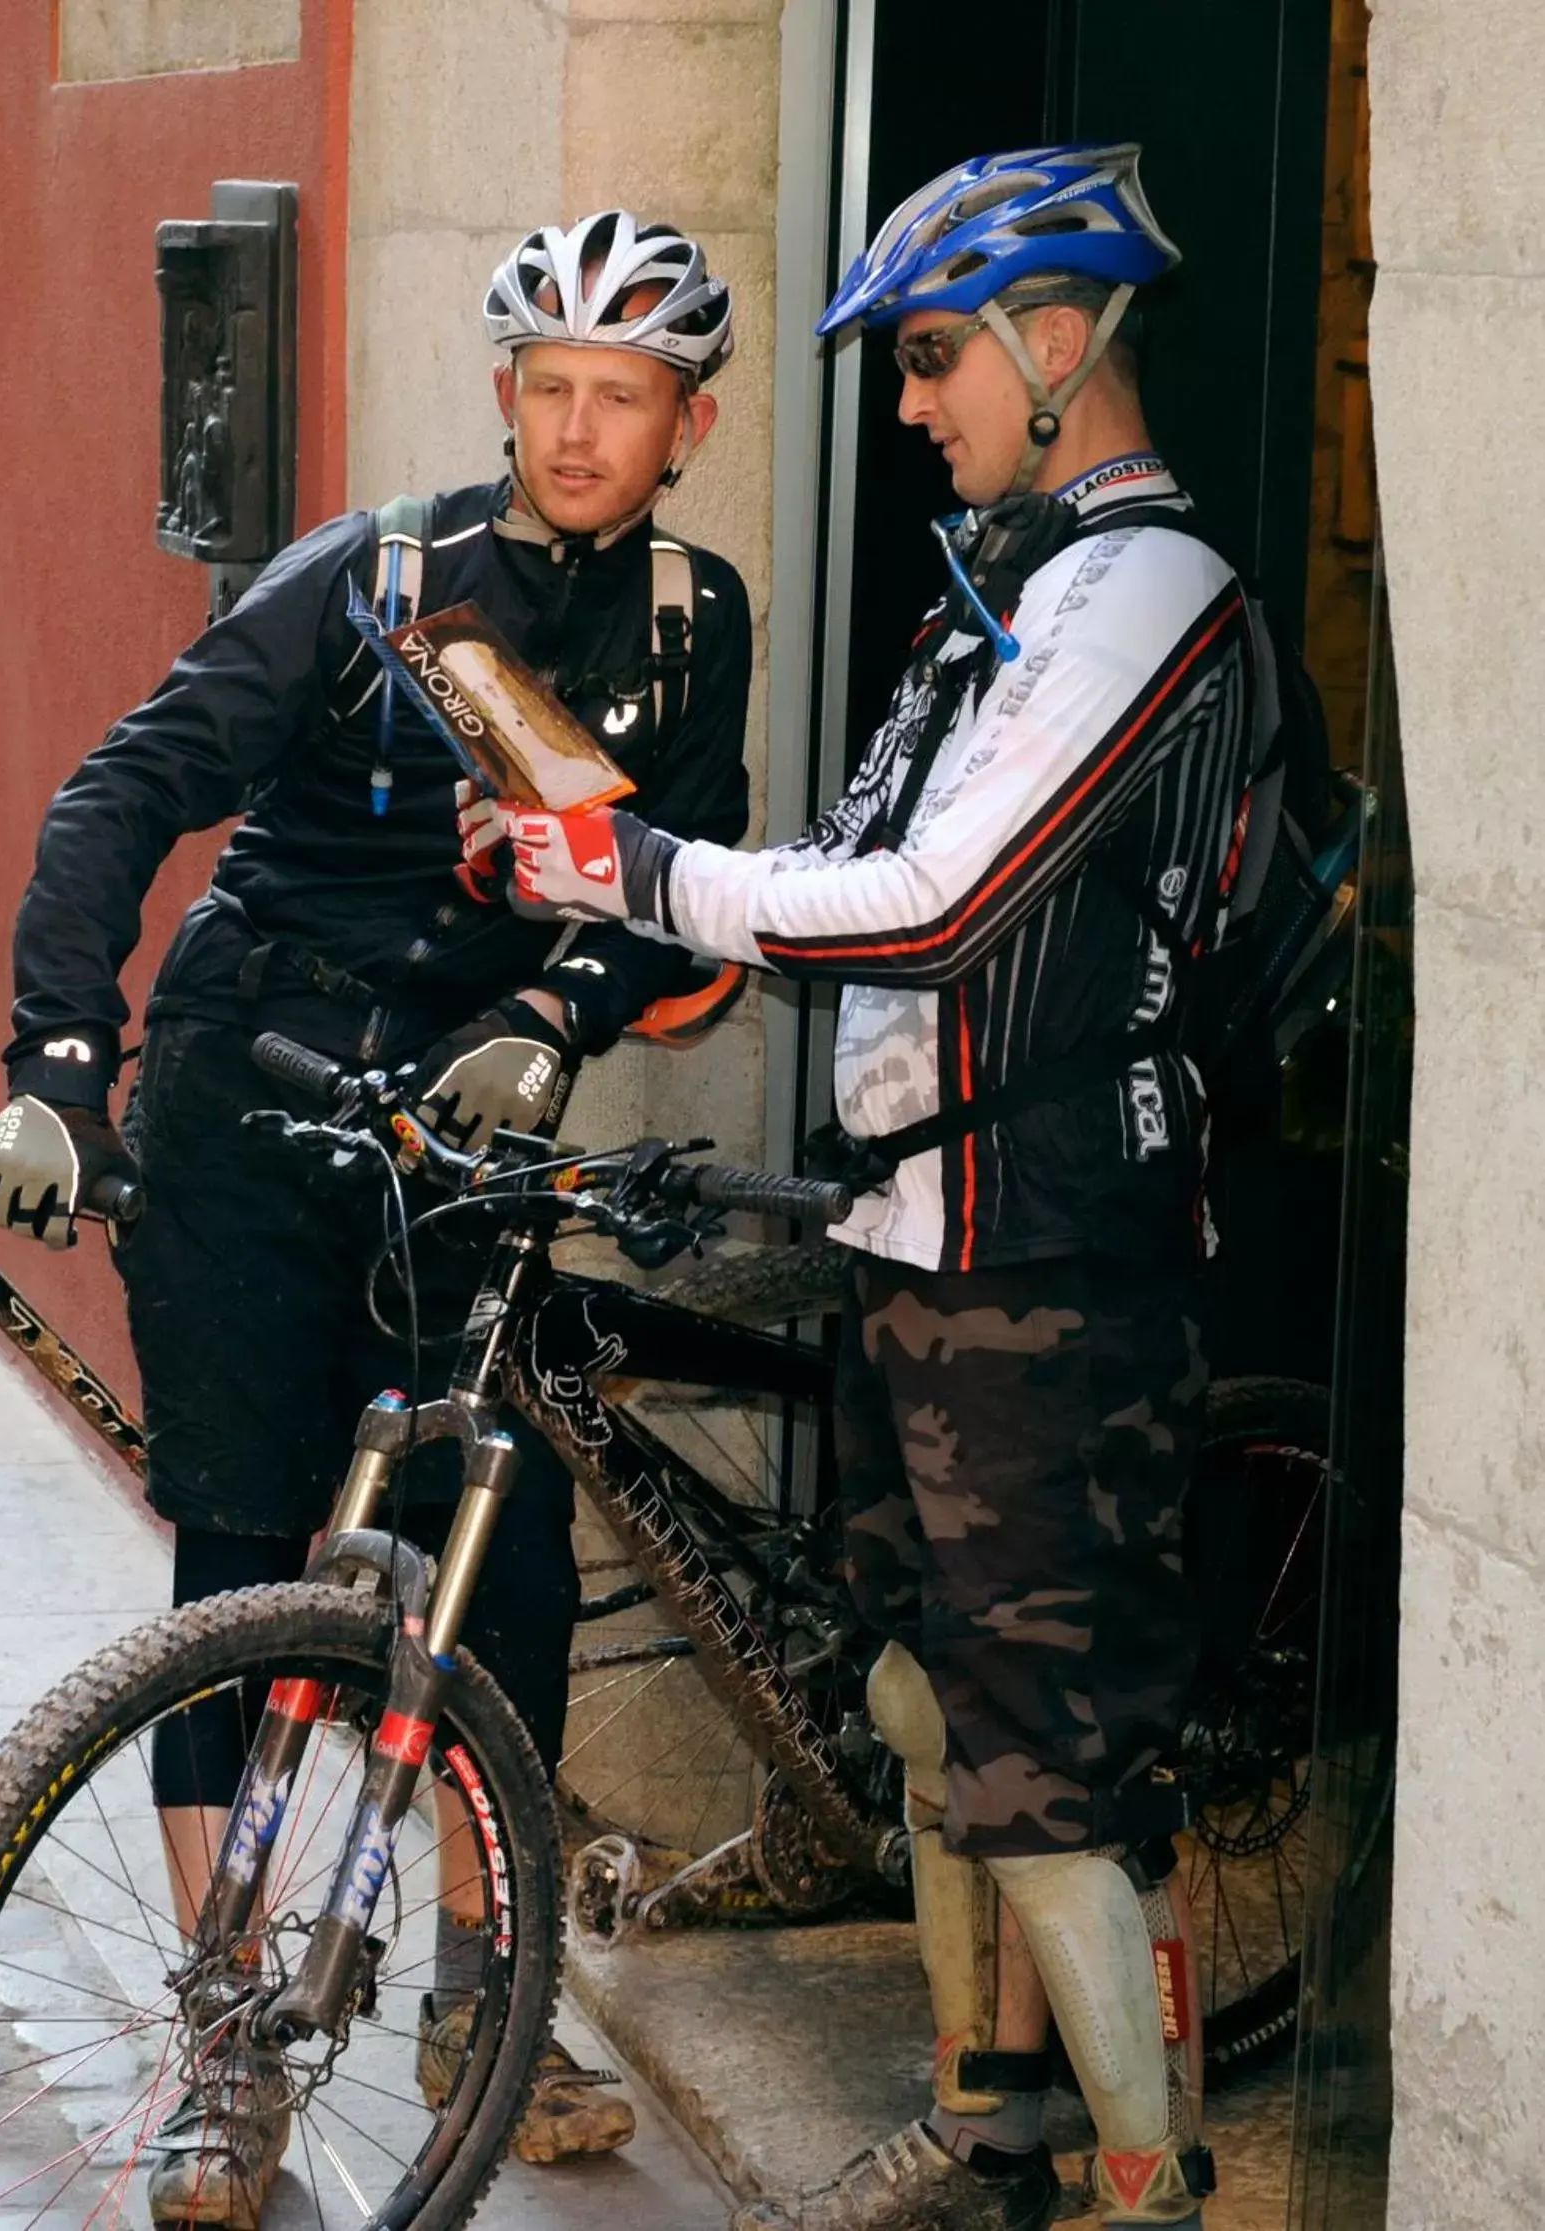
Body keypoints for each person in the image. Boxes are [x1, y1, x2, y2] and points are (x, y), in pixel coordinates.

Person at [0, 210, 754, 2227]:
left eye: (626, 398)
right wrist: (62, 1060)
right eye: (551, 388)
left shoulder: (690, 614)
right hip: (256, 1085)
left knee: (498, 1562)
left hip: (465, 1130)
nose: (581, 430)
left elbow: (685, 880)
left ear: (687, 423)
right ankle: (231, 2044)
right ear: (505, 395)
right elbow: (113, 795)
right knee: (241, 1565)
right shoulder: (368, 577)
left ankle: (483, 1997)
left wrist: (554, 1012)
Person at [488, 147, 1247, 2231]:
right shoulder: (1004, 579)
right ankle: (984, 2118)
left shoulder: (1144, 586)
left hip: (1055, 1242)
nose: (905, 404)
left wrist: (641, 872)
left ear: (1057, 339)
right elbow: (832, 864)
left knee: (1036, 1755)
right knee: (927, 1694)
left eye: (929, 359)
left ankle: (1143, 2178)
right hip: (918, 1228)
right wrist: (626, 919)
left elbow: (937, 897)